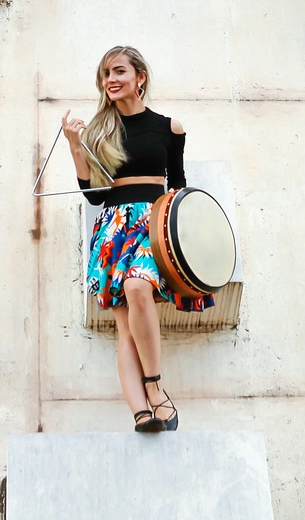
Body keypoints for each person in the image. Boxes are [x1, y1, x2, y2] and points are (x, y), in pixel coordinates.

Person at [63, 45, 214, 433]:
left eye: (118, 71)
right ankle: (141, 412)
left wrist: (185, 238)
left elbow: (177, 186)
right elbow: (94, 195)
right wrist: (75, 145)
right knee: (125, 328)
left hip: (153, 222)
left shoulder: (169, 128)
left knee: (137, 286)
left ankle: (155, 387)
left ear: (139, 77)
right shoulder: (100, 132)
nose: (110, 80)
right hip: (114, 228)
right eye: (105, 74)